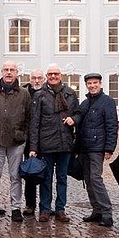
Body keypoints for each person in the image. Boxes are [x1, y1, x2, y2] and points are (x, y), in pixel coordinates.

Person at [28, 64, 82, 223]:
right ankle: (45, 209)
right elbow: (34, 122)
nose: (53, 76)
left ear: (61, 75)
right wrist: (33, 147)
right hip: (46, 144)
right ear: (47, 76)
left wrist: (74, 120)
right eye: (50, 74)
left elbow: (78, 114)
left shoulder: (69, 93)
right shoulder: (40, 95)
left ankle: (60, 209)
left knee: (62, 178)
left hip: (65, 143)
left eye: (56, 74)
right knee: (46, 178)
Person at [0, 61, 31, 223]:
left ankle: (16, 208)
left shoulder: (24, 93)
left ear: (17, 72)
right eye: (6, 70)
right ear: (2, 72)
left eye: (12, 70)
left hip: (16, 141)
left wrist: (24, 135)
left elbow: (29, 118)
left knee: (15, 176)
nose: (9, 72)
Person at [78, 73, 118, 227]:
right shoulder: (85, 102)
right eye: (89, 83)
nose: (92, 85)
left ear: (100, 83)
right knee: (88, 179)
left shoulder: (107, 102)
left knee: (96, 179)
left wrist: (109, 147)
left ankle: (107, 213)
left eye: (95, 82)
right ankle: (97, 210)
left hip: (97, 147)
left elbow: (112, 125)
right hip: (85, 148)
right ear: (86, 85)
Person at [22, 69, 45, 216]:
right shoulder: (24, 93)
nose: (36, 81)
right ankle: (30, 204)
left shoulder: (48, 93)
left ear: (43, 79)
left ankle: (45, 206)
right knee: (30, 173)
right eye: (34, 78)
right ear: (30, 79)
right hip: (28, 139)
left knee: (44, 174)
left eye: (39, 78)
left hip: (45, 140)